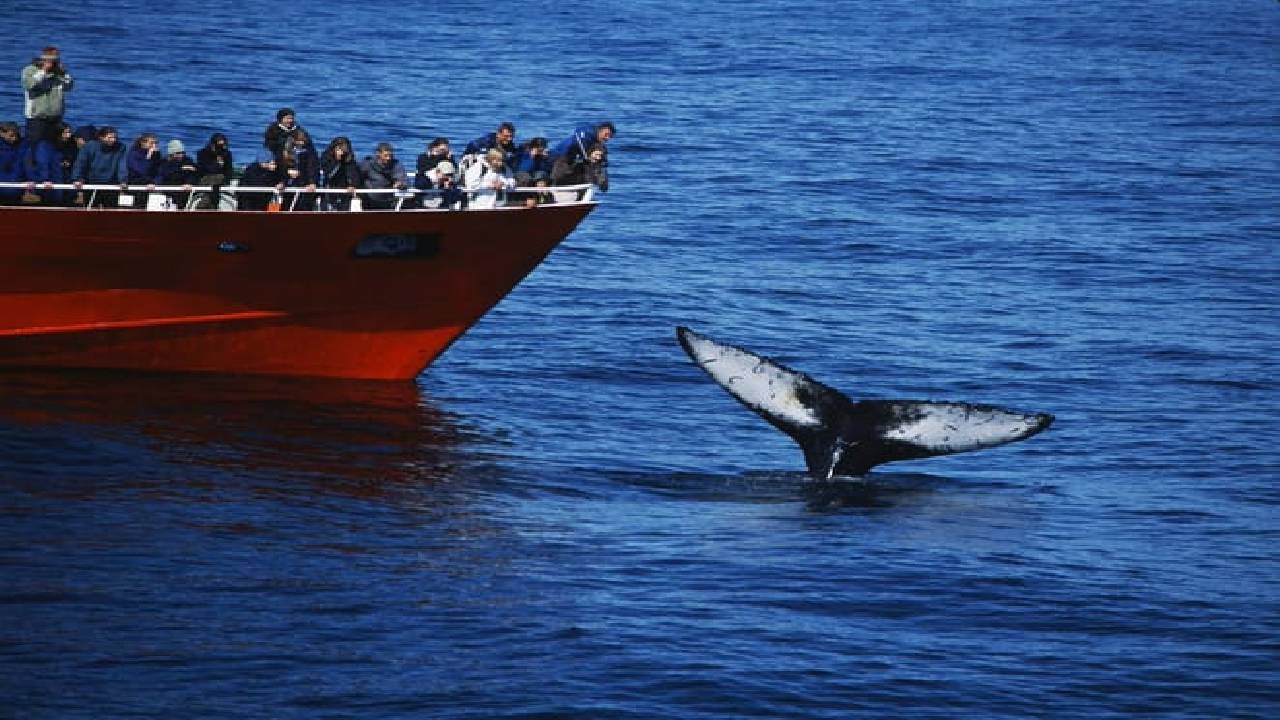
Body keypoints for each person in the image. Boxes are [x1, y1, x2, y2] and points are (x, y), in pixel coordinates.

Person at [20, 46, 74, 146]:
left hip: (55, 117)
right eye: (52, 58)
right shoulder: (30, 70)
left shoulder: (58, 73)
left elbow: (69, 87)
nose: (54, 61)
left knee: (52, 146)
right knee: (35, 146)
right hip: (36, 117)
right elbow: (29, 85)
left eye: (56, 58)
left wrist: (64, 73)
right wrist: (43, 70)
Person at [70, 126, 128, 207]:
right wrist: (77, 178)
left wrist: (123, 180)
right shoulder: (90, 146)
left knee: (110, 209)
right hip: (91, 182)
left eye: (115, 137)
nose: (113, 140)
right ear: (101, 137)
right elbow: (81, 163)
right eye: (110, 137)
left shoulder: (121, 148)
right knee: (91, 208)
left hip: (111, 184)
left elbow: (122, 165)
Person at [550, 121, 615, 191]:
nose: (607, 138)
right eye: (606, 134)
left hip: (578, 160)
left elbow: (602, 164)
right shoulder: (584, 136)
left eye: (610, 136)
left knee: (594, 165)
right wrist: (585, 157)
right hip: (561, 156)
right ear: (600, 130)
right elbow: (578, 135)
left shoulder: (600, 146)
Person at [25, 122, 77, 205]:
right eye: (65, 133)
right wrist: (44, 179)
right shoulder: (44, 146)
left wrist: (68, 162)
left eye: (69, 132)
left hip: (66, 181)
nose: (68, 135)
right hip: (51, 183)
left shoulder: (70, 145)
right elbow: (42, 164)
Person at [359, 142, 407, 210]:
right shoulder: (367, 164)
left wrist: (400, 184)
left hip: (389, 200)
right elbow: (357, 177)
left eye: (390, 156)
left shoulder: (396, 164)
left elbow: (402, 179)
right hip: (369, 200)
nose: (388, 158)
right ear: (378, 154)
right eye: (386, 155)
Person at [319, 136, 361, 210]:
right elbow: (328, 173)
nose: (342, 151)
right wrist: (337, 161)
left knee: (343, 209)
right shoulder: (326, 156)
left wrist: (352, 185)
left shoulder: (349, 159)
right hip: (329, 186)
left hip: (344, 188)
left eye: (344, 149)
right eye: (339, 148)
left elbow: (354, 173)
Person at [283, 129, 319, 210]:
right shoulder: (286, 150)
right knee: (287, 204)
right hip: (288, 183)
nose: (301, 143)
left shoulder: (310, 152)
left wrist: (312, 182)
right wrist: (287, 172)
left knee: (303, 206)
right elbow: (281, 165)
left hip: (304, 182)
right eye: (299, 140)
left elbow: (313, 168)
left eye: (303, 141)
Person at [194, 133, 233, 209]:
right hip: (205, 178)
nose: (221, 148)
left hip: (219, 181)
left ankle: (204, 205)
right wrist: (218, 165)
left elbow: (229, 170)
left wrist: (227, 181)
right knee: (218, 178)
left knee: (219, 178)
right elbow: (204, 169)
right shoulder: (203, 153)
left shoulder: (226, 154)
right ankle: (212, 205)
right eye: (219, 146)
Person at [414, 137, 455, 207]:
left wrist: (450, 159)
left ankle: (448, 201)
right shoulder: (423, 156)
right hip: (426, 179)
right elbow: (422, 169)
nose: (443, 152)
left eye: (445, 150)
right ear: (435, 147)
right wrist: (437, 168)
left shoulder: (447, 158)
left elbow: (453, 169)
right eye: (442, 150)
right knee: (423, 180)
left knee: (451, 181)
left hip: (442, 181)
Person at [160, 139, 200, 208]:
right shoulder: (165, 162)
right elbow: (165, 173)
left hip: (185, 187)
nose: (181, 155)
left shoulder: (188, 160)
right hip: (171, 187)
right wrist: (181, 169)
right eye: (178, 153)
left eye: (182, 152)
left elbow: (193, 173)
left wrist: (189, 183)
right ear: (172, 153)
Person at [0, 122, 27, 205]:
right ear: (1, 133)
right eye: (11, 136)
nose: (14, 138)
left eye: (16, 135)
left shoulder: (23, 145)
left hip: (18, 189)